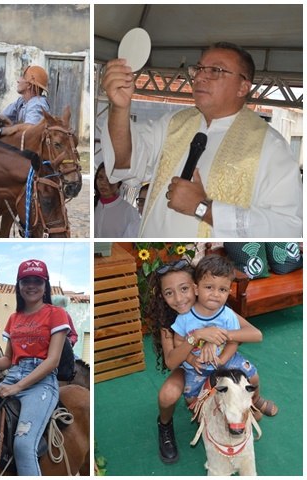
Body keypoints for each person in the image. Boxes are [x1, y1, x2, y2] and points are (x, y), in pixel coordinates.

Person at [101, 42, 302, 237]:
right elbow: (125, 161)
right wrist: (120, 107)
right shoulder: (173, 123)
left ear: (243, 87)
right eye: (198, 69)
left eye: (216, 70)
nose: (200, 77)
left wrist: (203, 208)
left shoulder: (270, 147)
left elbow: (288, 227)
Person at [146, 257, 276, 464]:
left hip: (220, 359)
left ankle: (255, 403)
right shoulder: (170, 321)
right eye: (169, 293)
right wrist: (197, 336)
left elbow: (254, 334)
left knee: (251, 377)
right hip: (186, 364)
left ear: (195, 287)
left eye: (184, 289)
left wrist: (217, 336)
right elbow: (172, 362)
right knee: (168, 395)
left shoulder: (220, 310)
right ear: (162, 296)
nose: (179, 298)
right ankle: (165, 425)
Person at [0, 259, 70, 475]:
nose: (31, 286)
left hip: (41, 383)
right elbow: (8, 359)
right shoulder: (14, 318)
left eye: (37, 281)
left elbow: (53, 361)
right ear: (18, 286)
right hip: (14, 375)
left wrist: (17, 387)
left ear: (45, 286)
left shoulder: (56, 314)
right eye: (26, 281)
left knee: (23, 446)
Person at [0, 65, 50, 137]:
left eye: (22, 77)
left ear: (29, 85)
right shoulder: (22, 101)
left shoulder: (37, 103)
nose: (18, 80)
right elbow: (2, 117)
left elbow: (30, 128)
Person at [94, 163, 140, 237]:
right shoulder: (92, 205)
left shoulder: (129, 212)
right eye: (100, 177)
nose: (103, 183)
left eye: (109, 179)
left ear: (119, 183)